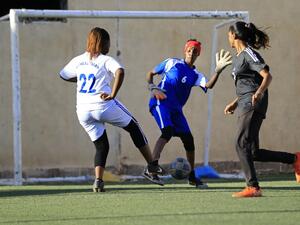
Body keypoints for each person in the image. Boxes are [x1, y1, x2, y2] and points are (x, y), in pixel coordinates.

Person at [59, 27, 164, 192]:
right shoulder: (104, 59)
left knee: (102, 146)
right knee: (134, 126)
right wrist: (112, 94)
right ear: (104, 43)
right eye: (108, 43)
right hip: (102, 104)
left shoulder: (78, 60)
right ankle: (152, 166)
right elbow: (120, 72)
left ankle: (98, 181)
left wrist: (82, 81)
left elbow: (63, 75)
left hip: (82, 110)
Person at [224, 21, 300, 197]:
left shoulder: (249, 53)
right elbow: (248, 83)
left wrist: (258, 93)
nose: (228, 38)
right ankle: (295, 159)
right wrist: (235, 102)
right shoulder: (238, 56)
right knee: (252, 151)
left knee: (240, 143)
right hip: (244, 102)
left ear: (234, 35)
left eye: (228, 35)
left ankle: (253, 187)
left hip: (253, 102)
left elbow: (267, 76)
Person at [144, 39, 232, 187]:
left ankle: (191, 177)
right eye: (190, 49)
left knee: (189, 140)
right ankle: (151, 169)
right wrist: (152, 86)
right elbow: (150, 73)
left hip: (177, 109)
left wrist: (217, 71)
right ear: (185, 51)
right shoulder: (172, 63)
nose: (192, 52)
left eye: (195, 51)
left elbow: (208, 85)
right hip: (161, 101)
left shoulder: (195, 74)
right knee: (167, 131)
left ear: (198, 54)